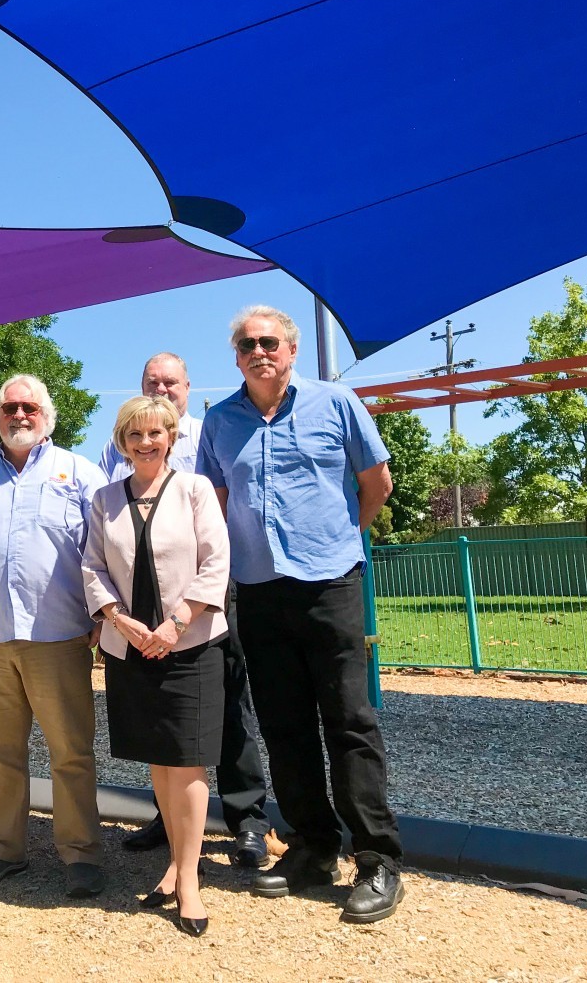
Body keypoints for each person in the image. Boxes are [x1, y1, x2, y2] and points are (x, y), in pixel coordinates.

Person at [197, 305, 405, 924]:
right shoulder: (220, 422)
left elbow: (378, 485)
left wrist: (340, 542)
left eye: (269, 342)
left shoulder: (336, 404)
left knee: (349, 721)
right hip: (258, 591)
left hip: (330, 585)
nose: (258, 351)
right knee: (284, 726)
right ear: (236, 357)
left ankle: (377, 858)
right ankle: (313, 848)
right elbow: (217, 500)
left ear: (291, 350)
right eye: (246, 344)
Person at [0, 374, 108, 898]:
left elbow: (107, 549)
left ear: (46, 415)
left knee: (71, 751)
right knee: (0, 750)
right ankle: (5, 850)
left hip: (61, 636)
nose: (20, 415)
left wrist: (104, 615)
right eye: (10, 407)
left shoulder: (79, 473)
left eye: (29, 406)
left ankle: (80, 855)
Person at [101, 352, 271, 868]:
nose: (160, 388)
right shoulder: (118, 456)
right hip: (139, 609)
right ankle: (169, 819)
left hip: (206, 599)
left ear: (188, 388)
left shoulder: (209, 434)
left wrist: (184, 616)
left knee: (224, 708)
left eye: (169, 382)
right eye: (151, 380)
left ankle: (247, 820)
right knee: (160, 720)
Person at [83, 396, 230, 937]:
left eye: (155, 434)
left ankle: (188, 880)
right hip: (130, 646)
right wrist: (117, 619)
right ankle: (173, 864)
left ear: (171, 436)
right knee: (159, 760)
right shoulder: (104, 499)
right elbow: (92, 565)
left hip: (188, 645)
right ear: (122, 442)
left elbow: (217, 560)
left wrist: (176, 624)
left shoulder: (193, 491)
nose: (145, 443)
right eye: (134, 435)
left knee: (187, 761)